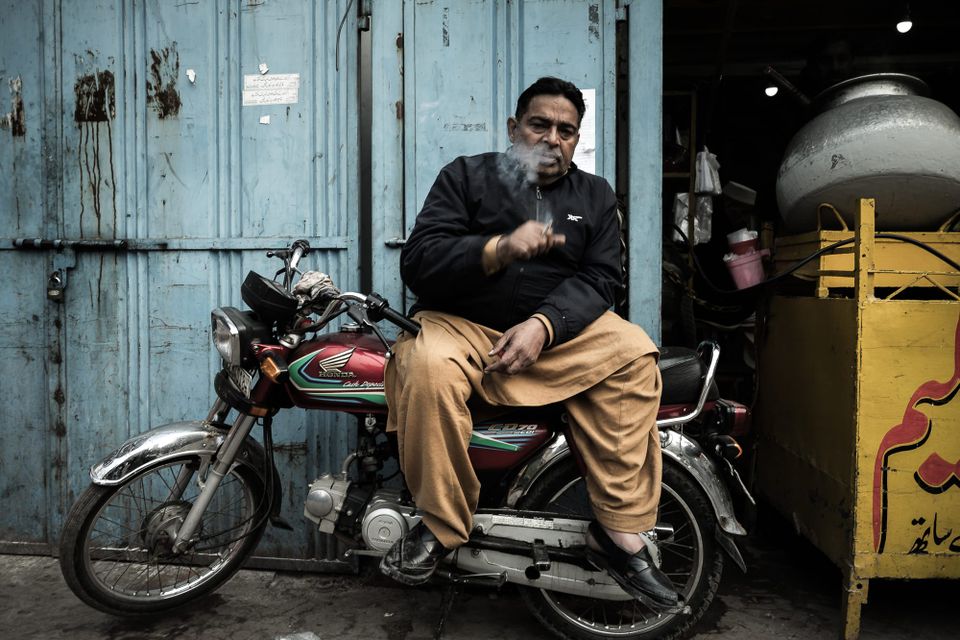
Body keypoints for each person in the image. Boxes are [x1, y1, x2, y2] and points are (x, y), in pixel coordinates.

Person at [381, 76, 679, 609]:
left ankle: (618, 531)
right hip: (461, 329)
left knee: (634, 352)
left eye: (566, 130)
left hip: (555, 339)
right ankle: (443, 524)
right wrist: (498, 248)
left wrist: (546, 324)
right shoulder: (466, 176)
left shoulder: (596, 196)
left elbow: (603, 280)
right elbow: (420, 261)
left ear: (576, 138)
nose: (552, 138)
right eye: (540, 124)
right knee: (425, 366)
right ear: (514, 128)